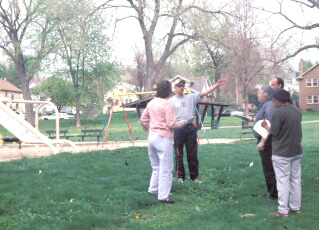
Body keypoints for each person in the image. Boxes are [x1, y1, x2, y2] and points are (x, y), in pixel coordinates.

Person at [169, 78, 228, 183]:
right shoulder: (171, 101)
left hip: (190, 128)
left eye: (183, 86)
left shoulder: (191, 98)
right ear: (174, 88)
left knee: (192, 153)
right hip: (178, 129)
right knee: (179, 154)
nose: (181, 88)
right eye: (179, 86)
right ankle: (180, 177)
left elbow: (205, 92)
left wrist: (217, 85)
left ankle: (194, 177)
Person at [140, 80, 187, 204]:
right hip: (163, 138)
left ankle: (153, 190)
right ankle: (163, 197)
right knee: (166, 168)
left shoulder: (151, 102)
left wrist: (151, 128)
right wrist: (182, 122)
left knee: (156, 167)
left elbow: (143, 119)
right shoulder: (167, 104)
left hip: (152, 137)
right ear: (168, 90)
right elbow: (171, 123)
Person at [261, 89, 303, 218]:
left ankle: (283, 211)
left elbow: (275, 132)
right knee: (295, 180)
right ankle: (296, 208)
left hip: (282, 153)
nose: (273, 103)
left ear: (279, 100)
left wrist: (265, 126)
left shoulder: (279, 112)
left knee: (283, 181)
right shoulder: (297, 111)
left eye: (274, 101)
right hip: (296, 150)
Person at [246, 85, 278, 200]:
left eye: (259, 92)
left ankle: (274, 194)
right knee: (268, 166)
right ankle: (274, 192)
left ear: (264, 95)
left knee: (269, 167)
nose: (257, 95)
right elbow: (263, 121)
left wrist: (263, 142)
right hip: (266, 140)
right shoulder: (267, 105)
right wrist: (253, 120)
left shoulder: (269, 106)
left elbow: (268, 124)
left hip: (267, 142)